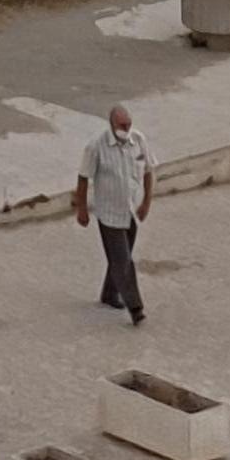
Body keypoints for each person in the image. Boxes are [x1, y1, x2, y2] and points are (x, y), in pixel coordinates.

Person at [72, 102, 152, 324]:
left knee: (118, 259)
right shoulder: (96, 147)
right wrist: (82, 209)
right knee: (123, 261)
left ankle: (109, 294)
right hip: (109, 214)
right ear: (111, 124)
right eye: (121, 125)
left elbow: (148, 171)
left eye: (128, 124)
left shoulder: (138, 141)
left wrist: (146, 201)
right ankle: (135, 308)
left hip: (131, 211)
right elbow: (83, 177)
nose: (125, 129)